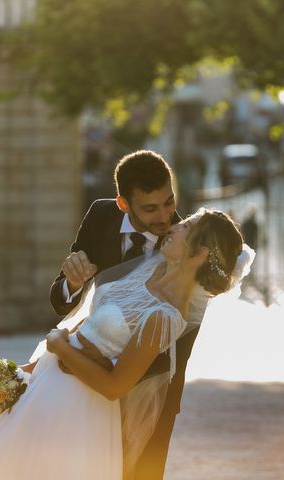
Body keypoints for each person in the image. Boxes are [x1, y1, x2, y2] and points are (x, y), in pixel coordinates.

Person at [0, 208, 251, 480]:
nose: (173, 226)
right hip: (46, 388)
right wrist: (22, 373)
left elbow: (115, 385)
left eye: (186, 228)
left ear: (199, 255)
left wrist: (61, 347)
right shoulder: (146, 270)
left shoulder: (166, 317)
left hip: (80, 413)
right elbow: (85, 329)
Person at [50, 150, 188, 479]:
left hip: (151, 389)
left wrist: (160, 400)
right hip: (83, 384)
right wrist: (71, 282)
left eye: (169, 201)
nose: (165, 216)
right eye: (150, 208)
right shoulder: (100, 216)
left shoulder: (184, 243)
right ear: (123, 203)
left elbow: (180, 341)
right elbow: (61, 301)